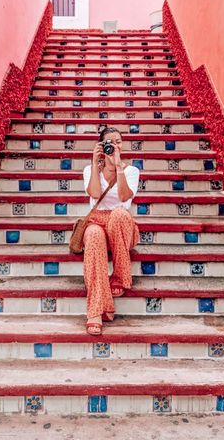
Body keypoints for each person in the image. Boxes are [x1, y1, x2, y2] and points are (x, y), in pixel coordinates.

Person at [82, 127, 140, 335]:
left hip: (121, 225)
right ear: (101, 146)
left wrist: (119, 168)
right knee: (95, 236)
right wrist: (94, 163)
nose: (114, 145)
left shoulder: (132, 171)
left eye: (118, 141)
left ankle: (119, 276)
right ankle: (97, 310)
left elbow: (125, 198)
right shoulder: (90, 170)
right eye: (109, 142)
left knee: (118, 214)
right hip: (96, 222)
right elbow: (96, 194)